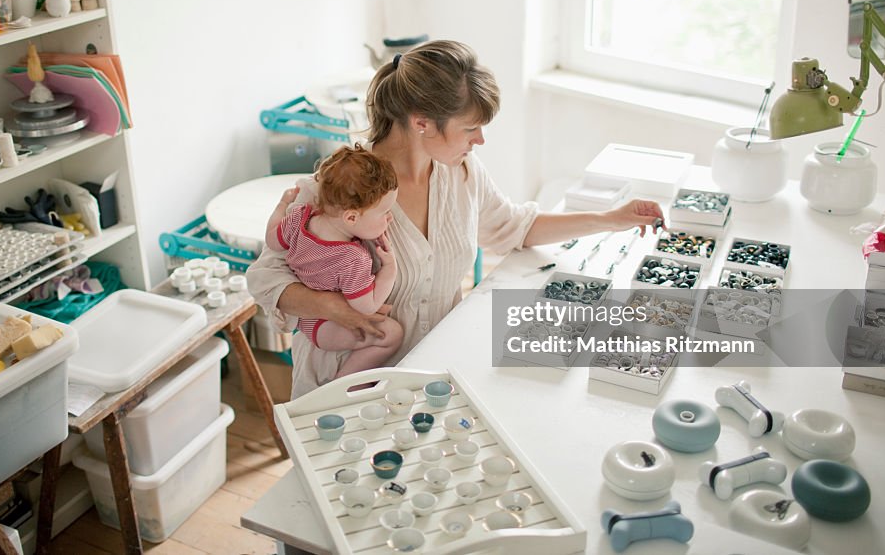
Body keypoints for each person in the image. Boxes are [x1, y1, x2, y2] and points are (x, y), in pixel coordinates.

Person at [248, 40, 664, 398]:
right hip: (343, 380)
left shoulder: (462, 173)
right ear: (422, 124)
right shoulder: (334, 189)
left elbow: (516, 227)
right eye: (470, 129)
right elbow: (263, 279)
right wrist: (335, 309)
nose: (480, 140)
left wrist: (612, 219)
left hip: (432, 375)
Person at [263, 146, 404, 382]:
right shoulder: (352, 259)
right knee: (391, 335)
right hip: (326, 327)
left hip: (305, 320)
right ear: (351, 217)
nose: (389, 218)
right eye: (385, 212)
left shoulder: (300, 217)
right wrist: (390, 270)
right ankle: (344, 384)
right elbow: (366, 306)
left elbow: (272, 240)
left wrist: (281, 206)